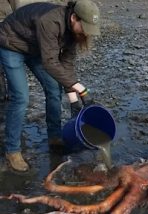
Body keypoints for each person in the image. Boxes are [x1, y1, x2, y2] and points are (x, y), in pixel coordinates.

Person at [0, 0, 99, 172]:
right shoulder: (50, 21)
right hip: (11, 44)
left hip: (35, 48)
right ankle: (12, 151)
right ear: (74, 18)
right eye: (84, 27)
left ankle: (55, 138)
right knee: (21, 98)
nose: (86, 33)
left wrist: (74, 100)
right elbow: (50, 63)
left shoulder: (74, 33)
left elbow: (66, 66)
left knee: (54, 89)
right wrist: (82, 89)